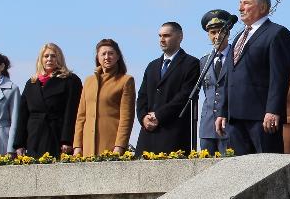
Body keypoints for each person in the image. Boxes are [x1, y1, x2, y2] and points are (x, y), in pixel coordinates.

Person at [215, 0, 290, 155]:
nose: (240, 8)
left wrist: (273, 110)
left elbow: (279, 77)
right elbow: (229, 77)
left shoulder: (277, 33)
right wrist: (223, 111)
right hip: (235, 118)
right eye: (240, 3)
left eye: (246, 3)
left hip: (261, 117)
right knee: (240, 168)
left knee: (267, 165)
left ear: (262, 7)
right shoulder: (238, 37)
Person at [136, 22, 201, 154]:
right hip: (148, 134)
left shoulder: (191, 63)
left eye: (166, 35)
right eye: (160, 36)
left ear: (180, 37)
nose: (162, 39)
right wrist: (143, 118)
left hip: (173, 133)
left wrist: (159, 115)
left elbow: (184, 96)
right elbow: (142, 96)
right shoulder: (152, 66)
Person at [14, 43, 82, 157]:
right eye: (46, 56)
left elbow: (72, 112)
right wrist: (19, 143)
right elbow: (23, 115)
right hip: (34, 137)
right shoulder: (31, 82)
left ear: (59, 58)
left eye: (53, 56)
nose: (49, 59)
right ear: (41, 59)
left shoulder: (70, 80)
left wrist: (67, 140)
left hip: (57, 135)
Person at [73, 39, 135, 156]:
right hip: (87, 146)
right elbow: (81, 116)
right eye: (103, 54)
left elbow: (127, 117)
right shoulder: (88, 81)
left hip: (111, 145)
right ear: (98, 57)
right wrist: (77, 146)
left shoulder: (126, 80)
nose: (107, 57)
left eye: (111, 53)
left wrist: (120, 146)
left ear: (118, 56)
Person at [198, 9, 233, 155]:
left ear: (228, 33)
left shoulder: (236, 57)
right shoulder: (204, 61)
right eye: (213, 33)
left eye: (220, 31)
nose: (217, 36)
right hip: (208, 125)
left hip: (229, 123)